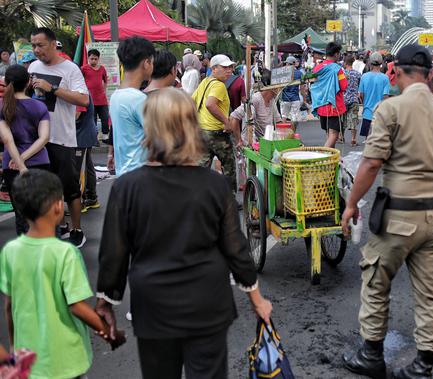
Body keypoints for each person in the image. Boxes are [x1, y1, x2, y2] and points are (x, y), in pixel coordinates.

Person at [95, 88, 272, 379]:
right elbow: (235, 248)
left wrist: (105, 302)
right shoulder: (213, 185)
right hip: (208, 304)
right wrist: (257, 300)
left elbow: (114, 254)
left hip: (153, 306)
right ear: (192, 126)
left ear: (149, 127)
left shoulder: (126, 188)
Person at [341, 44, 433, 379]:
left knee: (376, 282)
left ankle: (372, 356)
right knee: (430, 293)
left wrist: (351, 204)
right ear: (430, 76)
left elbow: (372, 162)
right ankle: (423, 366)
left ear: (396, 71)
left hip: (397, 217)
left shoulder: (389, 110)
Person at [0, 170, 124, 379]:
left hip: (28, 360)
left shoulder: (10, 251)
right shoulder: (66, 253)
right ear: (58, 206)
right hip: (65, 360)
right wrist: (107, 332)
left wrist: (14, 345)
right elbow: (76, 306)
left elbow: (9, 305)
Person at [28, 27, 90, 248]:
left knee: (70, 188)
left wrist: (52, 88)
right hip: (38, 140)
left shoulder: (70, 69)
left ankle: (76, 229)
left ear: (53, 44)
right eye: (33, 45)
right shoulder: (33, 67)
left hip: (62, 138)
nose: (36, 50)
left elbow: (84, 100)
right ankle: (61, 225)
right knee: (47, 188)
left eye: (40, 45)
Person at [0, 64, 45, 234]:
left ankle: (24, 254)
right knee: (39, 212)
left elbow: (8, 140)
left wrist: (20, 164)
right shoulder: (39, 106)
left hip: (10, 165)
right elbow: (44, 138)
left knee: (21, 214)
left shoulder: (3, 106)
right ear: (28, 83)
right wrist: (24, 160)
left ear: (6, 82)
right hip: (40, 162)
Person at [109, 36, 155, 176]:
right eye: (152, 62)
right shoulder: (138, 99)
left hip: (124, 173)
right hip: (141, 174)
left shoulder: (116, 96)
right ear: (146, 63)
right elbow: (157, 139)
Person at [191, 54, 237, 186]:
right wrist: (226, 121)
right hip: (217, 133)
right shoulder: (219, 85)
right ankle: (229, 199)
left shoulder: (204, 82)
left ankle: (197, 199)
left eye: (231, 67)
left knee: (201, 169)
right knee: (229, 167)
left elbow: (192, 102)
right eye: (225, 67)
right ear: (214, 68)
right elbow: (210, 104)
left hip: (202, 132)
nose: (229, 71)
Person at [311, 42, 347, 148]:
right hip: (333, 105)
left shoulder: (317, 68)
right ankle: (324, 155)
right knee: (334, 134)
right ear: (336, 54)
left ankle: (331, 160)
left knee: (328, 133)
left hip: (321, 105)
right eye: (339, 53)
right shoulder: (337, 69)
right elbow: (343, 86)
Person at [230, 69, 280, 143]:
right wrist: (239, 140)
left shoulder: (272, 100)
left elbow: (278, 121)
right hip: (252, 143)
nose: (280, 88)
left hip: (266, 142)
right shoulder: (255, 99)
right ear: (273, 87)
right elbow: (234, 117)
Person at [74, 94, 100, 213]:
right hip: (84, 134)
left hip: (83, 136)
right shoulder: (81, 91)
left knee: (81, 169)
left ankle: (81, 201)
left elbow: (76, 115)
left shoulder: (79, 92)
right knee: (87, 166)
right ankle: (91, 197)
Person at [358, 52, 390, 138]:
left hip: (367, 112)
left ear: (370, 62)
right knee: (378, 139)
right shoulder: (385, 78)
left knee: (367, 140)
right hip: (380, 113)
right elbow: (385, 96)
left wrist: (365, 103)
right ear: (382, 63)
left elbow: (361, 95)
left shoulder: (364, 76)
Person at [81, 49, 110, 140]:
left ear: (98, 59)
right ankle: (94, 138)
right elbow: (79, 81)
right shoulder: (83, 68)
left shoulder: (102, 69)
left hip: (102, 99)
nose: (93, 60)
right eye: (91, 58)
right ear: (88, 58)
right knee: (92, 120)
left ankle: (105, 136)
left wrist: (104, 91)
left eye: (95, 59)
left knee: (105, 117)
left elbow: (105, 81)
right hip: (90, 99)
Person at [343, 55, 362, 146]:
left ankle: (341, 136)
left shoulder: (342, 74)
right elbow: (360, 86)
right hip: (354, 99)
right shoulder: (357, 74)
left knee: (342, 119)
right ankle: (353, 139)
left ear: (345, 63)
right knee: (353, 119)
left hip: (343, 99)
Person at [280, 56, 303, 122]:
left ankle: (284, 131)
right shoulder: (299, 73)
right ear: (294, 63)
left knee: (284, 116)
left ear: (287, 63)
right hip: (295, 98)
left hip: (285, 99)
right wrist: (304, 99)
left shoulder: (283, 73)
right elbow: (302, 88)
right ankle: (293, 132)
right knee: (294, 117)